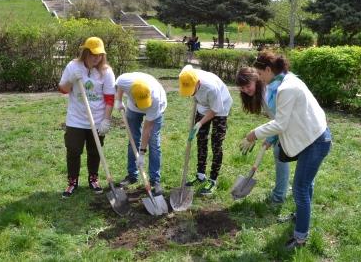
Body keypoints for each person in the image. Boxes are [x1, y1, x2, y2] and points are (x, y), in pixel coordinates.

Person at [240, 51, 332, 250]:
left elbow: (280, 123)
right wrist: (270, 138)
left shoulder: (286, 88)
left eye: (260, 73)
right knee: (305, 185)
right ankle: (301, 217)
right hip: (311, 137)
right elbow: (286, 119)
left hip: (316, 141)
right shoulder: (286, 81)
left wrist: (253, 134)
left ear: (268, 70)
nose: (259, 77)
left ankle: (300, 238)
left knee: (300, 187)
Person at [58, 37, 116, 198]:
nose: (96, 58)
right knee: (73, 150)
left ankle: (93, 179)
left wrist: (106, 120)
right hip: (76, 119)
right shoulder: (73, 66)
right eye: (93, 55)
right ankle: (72, 182)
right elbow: (63, 89)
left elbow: (110, 98)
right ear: (85, 53)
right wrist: (71, 80)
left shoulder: (106, 71)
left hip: (97, 119)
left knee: (95, 150)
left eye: (99, 55)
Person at [236, 66, 290, 204]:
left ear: (256, 79)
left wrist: (263, 136)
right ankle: (281, 194)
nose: (246, 91)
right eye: (242, 88)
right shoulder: (262, 93)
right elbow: (277, 119)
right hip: (284, 126)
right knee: (279, 152)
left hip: (297, 127)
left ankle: (278, 197)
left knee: (284, 154)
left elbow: (281, 119)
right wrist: (270, 138)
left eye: (248, 86)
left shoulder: (270, 92)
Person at [179, 65, 233, 196]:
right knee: (201, 139)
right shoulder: (186, 75)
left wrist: (199, 123)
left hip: (220, 107)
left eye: (192, 90)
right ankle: (200, 175)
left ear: (198, 82)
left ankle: (213, 179)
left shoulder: (211, 88)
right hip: (203, 106)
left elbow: (215, 110)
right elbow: (188, 66)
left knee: (216, 143)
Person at [114, 72, 167, 196]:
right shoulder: (124, 80)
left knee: (153, 141)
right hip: (133, 108)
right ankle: (132, 175)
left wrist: (142, 153)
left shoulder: (155, 99)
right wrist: (119, 100)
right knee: (133, 138)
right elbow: (119, 86)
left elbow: (147, 128)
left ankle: (155, 180)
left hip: (155, 107)